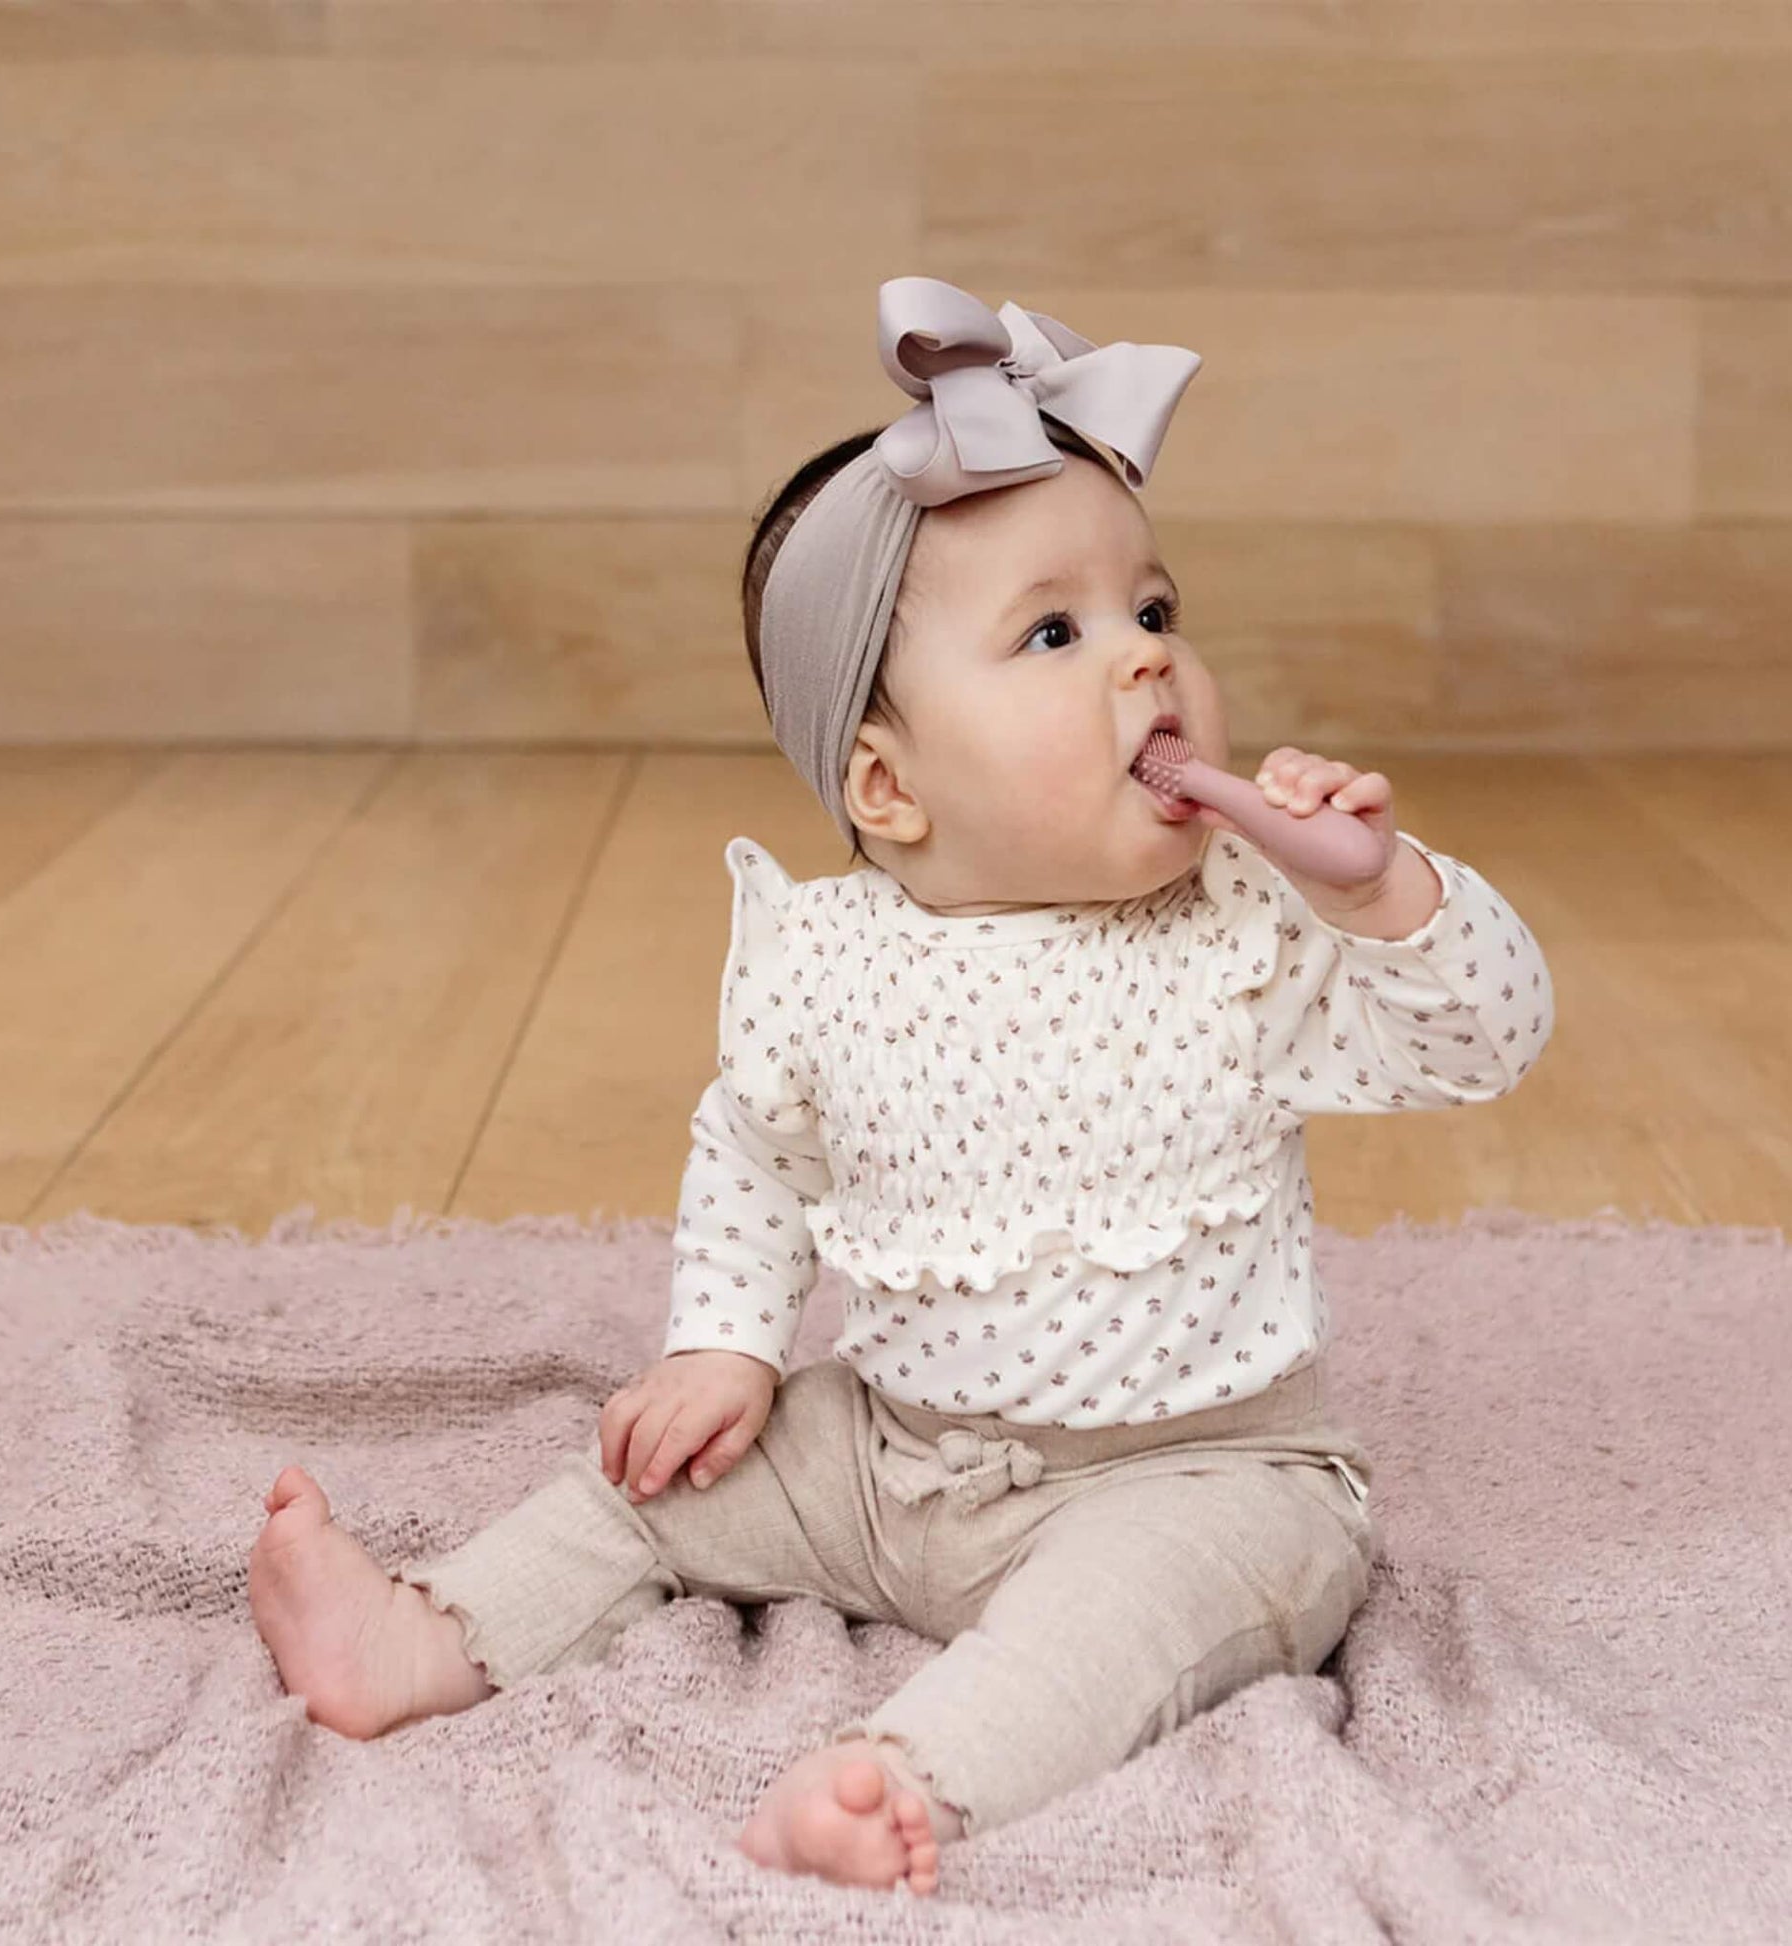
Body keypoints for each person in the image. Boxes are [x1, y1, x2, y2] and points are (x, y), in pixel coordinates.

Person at [249, 276, 1555, 1899]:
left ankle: (904, 1777)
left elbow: (1482, 1039)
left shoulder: (1243, 926)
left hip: (1197, 1476)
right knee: (656, 1486)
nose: (1146, 664)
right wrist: (724, 1344)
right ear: (886, 782)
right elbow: (752, 1148)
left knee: (1118, 1623)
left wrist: (1384, 894)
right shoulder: (826, 958)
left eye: (1153, 608)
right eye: (1056, 634)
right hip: (890, 1456)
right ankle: (419, 1635)